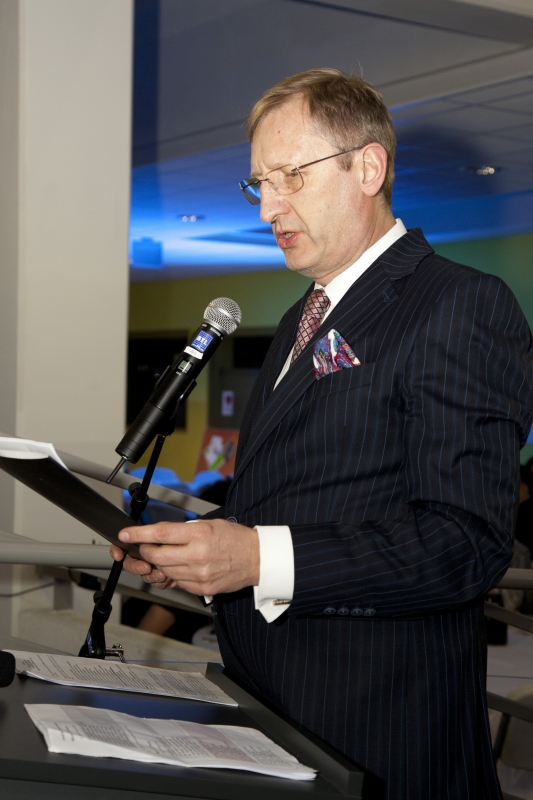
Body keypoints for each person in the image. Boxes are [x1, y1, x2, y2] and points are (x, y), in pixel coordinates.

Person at [111, 69, 533, 799]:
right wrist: (208, 553)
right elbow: (302, 494)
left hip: (378, 738)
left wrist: (256, 557)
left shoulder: (461, 303)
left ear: (367, 168)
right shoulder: (300, 320)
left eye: (291, 177)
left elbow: (465, 542)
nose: (268, 206)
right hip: (270, 713)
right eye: (258, 184)